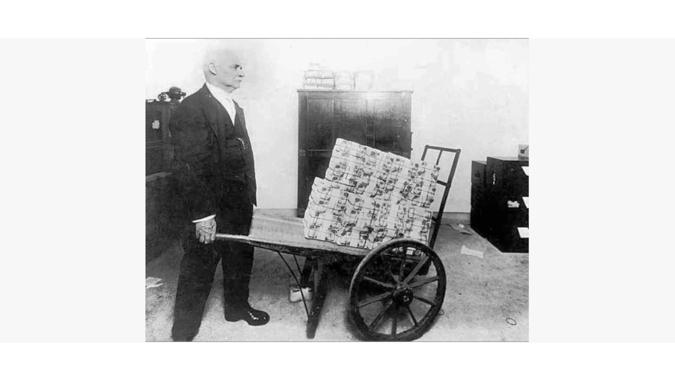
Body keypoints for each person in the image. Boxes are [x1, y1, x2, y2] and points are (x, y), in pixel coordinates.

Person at [169, 49, 269, 341]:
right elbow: (188, 168)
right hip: (209, 206)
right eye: (235, 66)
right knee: (199, 263)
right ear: (212, 67)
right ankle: (183, 331)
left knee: (240, 256)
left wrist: (249, 197)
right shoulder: (191, 108)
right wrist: (203, 216)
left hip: (238, 201)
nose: (242, 72)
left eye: (242, 66)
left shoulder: (235, 106)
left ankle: (237, 308)